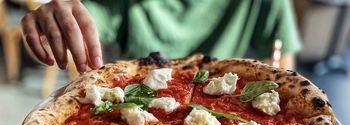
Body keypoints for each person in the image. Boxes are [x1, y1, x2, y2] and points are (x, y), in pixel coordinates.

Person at [20, 0, 301, 73]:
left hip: (225, 119)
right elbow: (75, 35)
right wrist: (51, 29)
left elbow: (281, 68)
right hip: (137, 122)